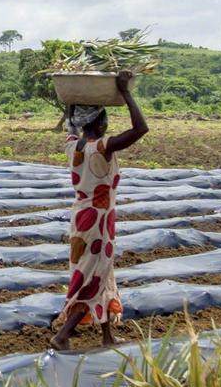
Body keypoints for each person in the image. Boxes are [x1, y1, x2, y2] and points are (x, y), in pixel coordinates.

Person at [51, 71, 148, 351]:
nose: (108, 123)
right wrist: (126, 93)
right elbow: (141, 129)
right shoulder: (103, 147)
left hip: (84, 216)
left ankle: (107, 336)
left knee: (101, 272)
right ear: (99, 122)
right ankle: (63, 335)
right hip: (97, 220)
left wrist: (72, 98)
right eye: (105, 118)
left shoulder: (73, 145)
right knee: (93, 277)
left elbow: (71, 122)